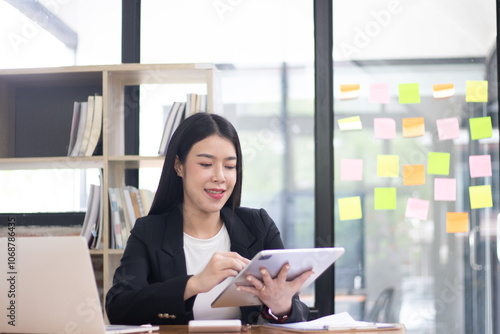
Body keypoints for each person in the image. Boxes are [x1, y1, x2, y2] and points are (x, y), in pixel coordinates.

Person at [105, 112, 313, 325]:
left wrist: (280, 305)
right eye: (206, 164)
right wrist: (194, 284)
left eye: (230, 166)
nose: (220, 177)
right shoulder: (148, 232)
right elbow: (119, 307)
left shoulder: (259, 226)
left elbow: (297, 311)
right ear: (179, 166)